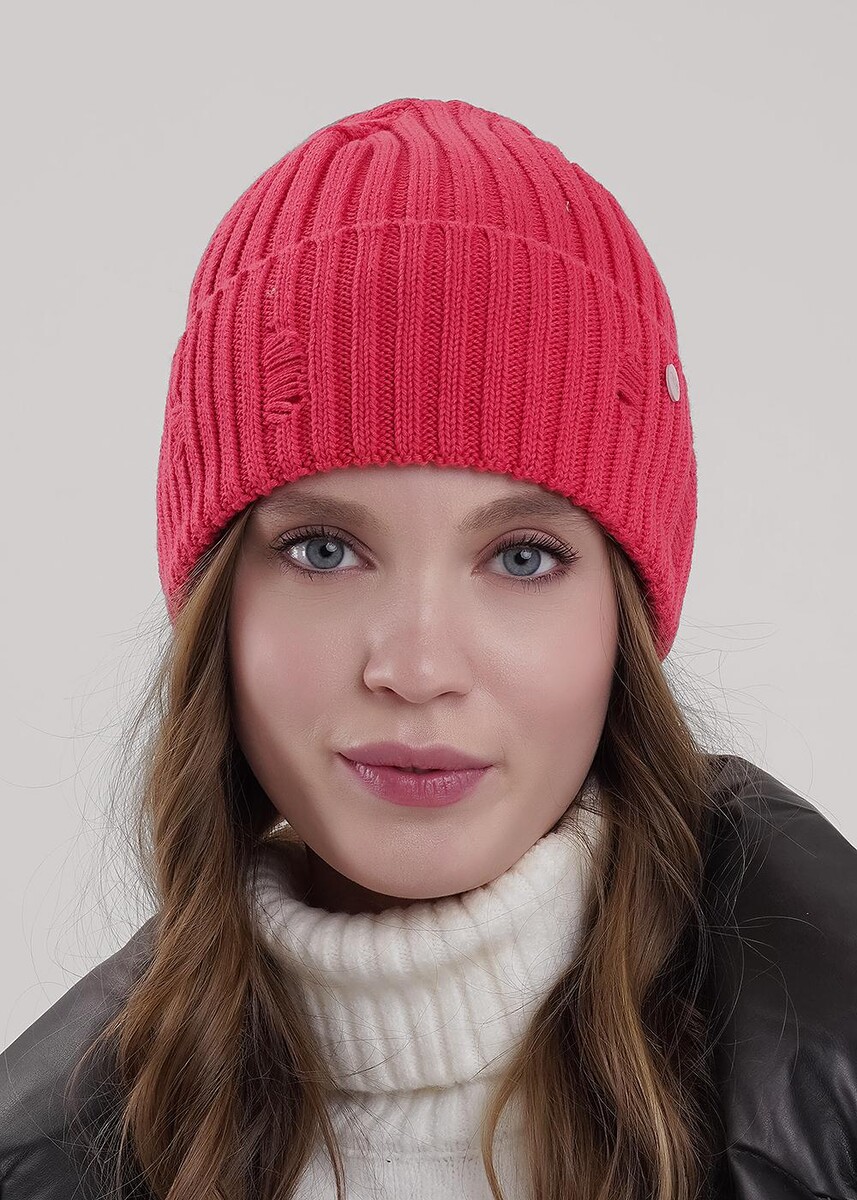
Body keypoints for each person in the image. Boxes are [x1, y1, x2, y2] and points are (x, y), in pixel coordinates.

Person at [1, 95, 855, 1200]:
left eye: (521, 558)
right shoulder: (47, 1161)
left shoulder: (829, 1090)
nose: (414, 669)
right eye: (320, 550)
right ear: (217, 607)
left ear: (624, 621)